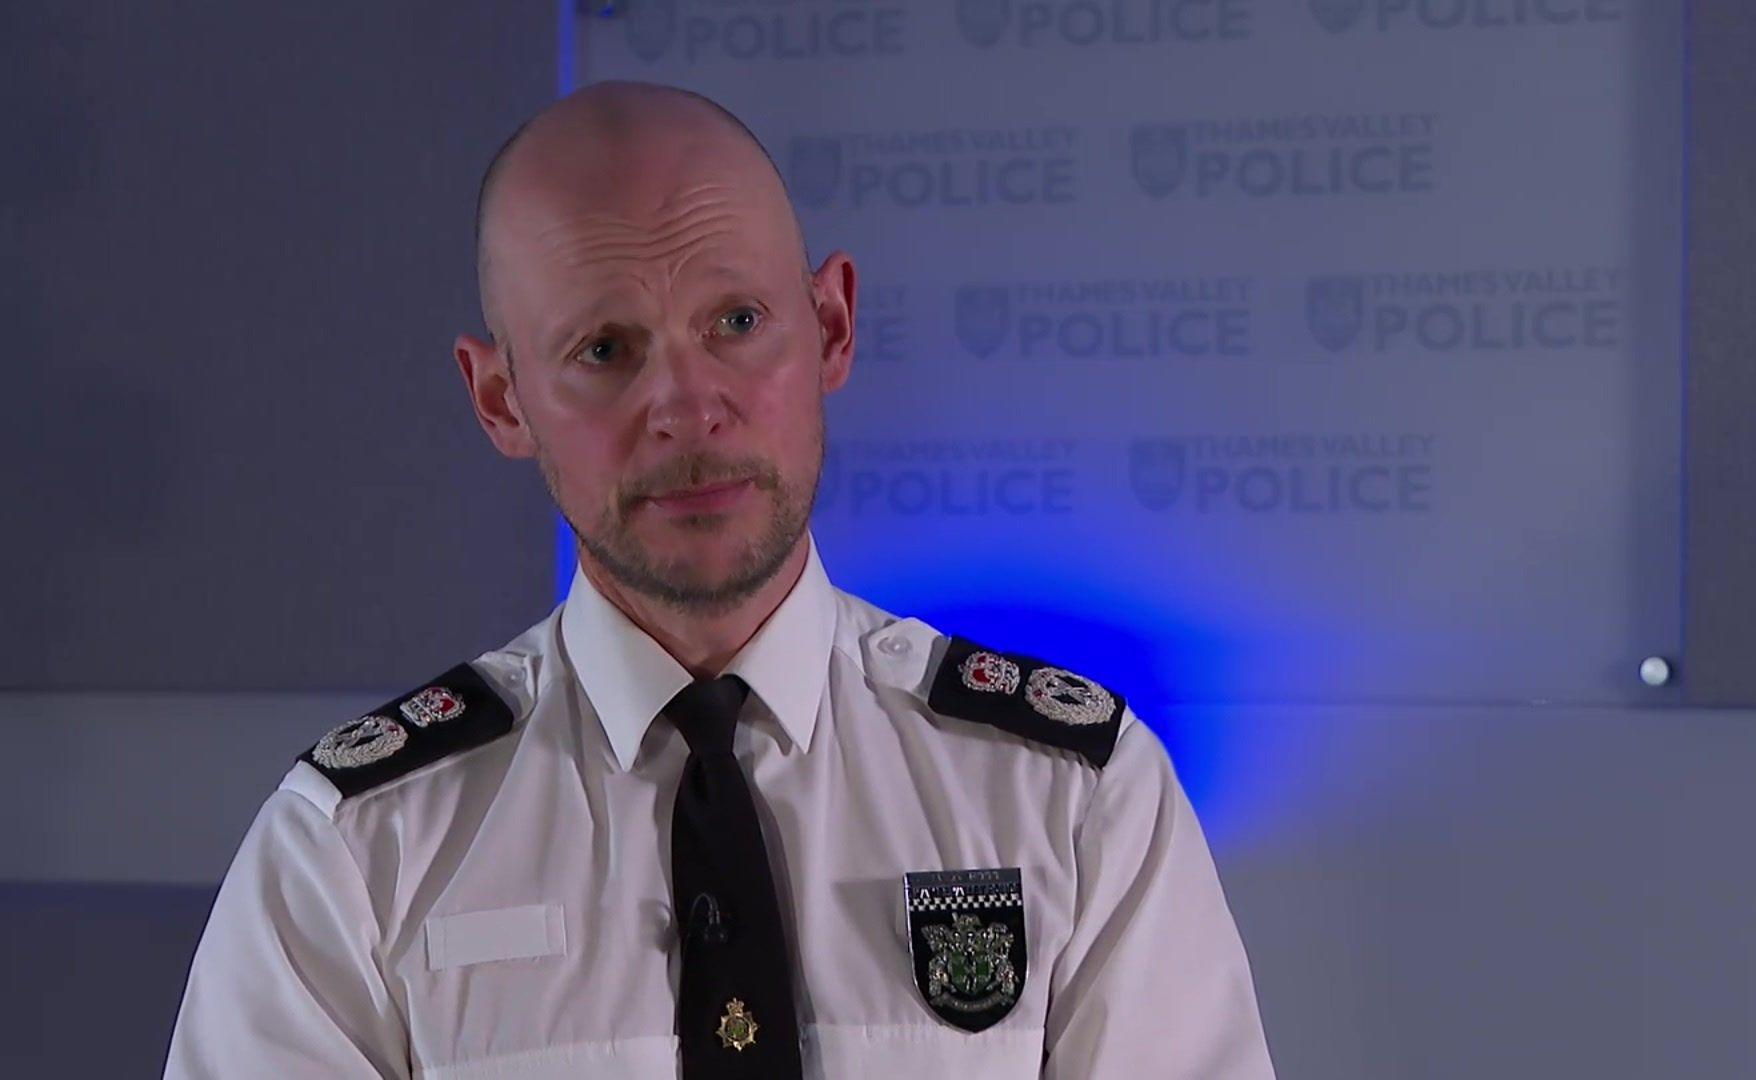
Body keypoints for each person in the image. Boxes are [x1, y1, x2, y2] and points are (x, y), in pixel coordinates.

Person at [164, 79, 1274, 1079]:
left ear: (830, 325)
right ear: (500, 399)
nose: (688, 408)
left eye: (736, 323)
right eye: (605, 349)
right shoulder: (357, 855)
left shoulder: (1070, 796)